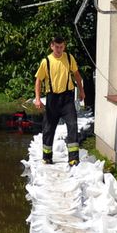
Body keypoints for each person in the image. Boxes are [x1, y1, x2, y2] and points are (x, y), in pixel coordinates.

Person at [33, 36, 86, 166]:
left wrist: (82, 91)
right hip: (52, 99)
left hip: (67, 98)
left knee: (73, 125)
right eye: (56, 47)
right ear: (52, 46)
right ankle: (47, 157)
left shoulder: (69, 58)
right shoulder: (46, 61)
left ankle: (73, 158)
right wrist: (38, 99)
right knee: (48, 128)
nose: (59, 49)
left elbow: (77, 75)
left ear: (64, 46)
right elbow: (38, 81)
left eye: (61, 47)